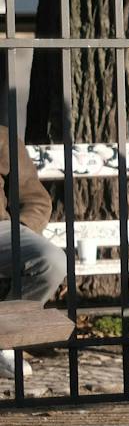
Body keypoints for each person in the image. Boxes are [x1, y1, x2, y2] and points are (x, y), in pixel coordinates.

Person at [0, 125, 66, 379]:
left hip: (2, 231)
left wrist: (22, 231)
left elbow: (36, 199)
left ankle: (4, 337)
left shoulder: (3, 138)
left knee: (52, 261)